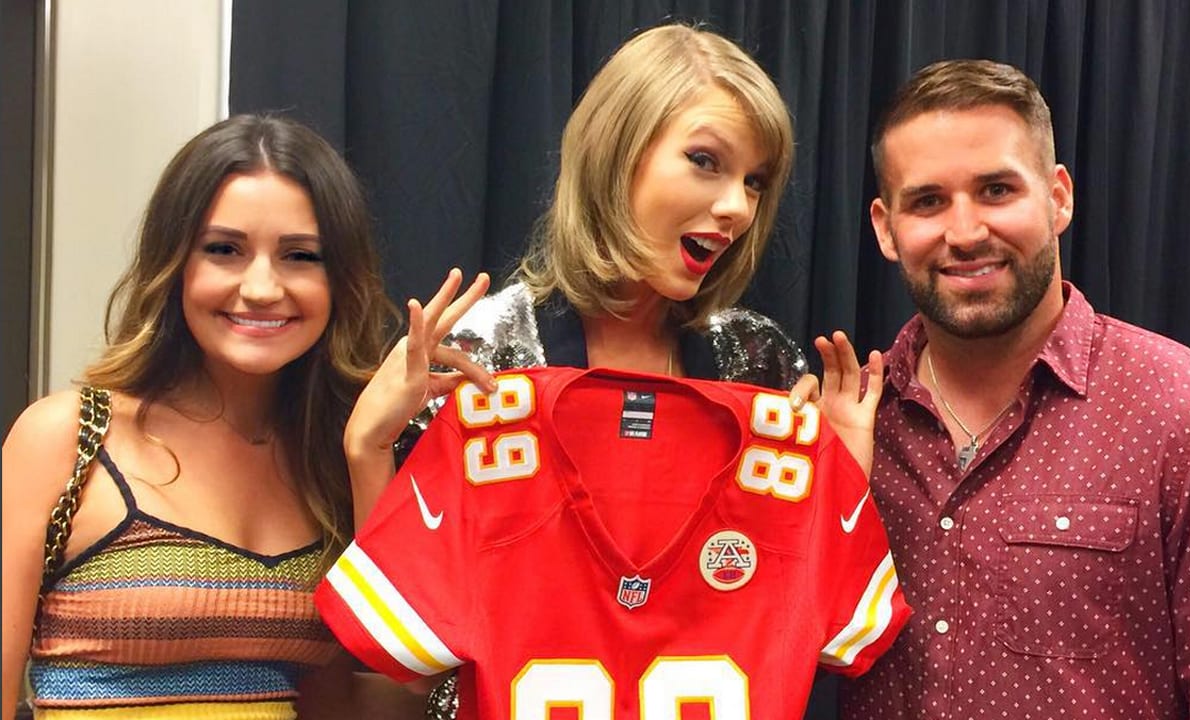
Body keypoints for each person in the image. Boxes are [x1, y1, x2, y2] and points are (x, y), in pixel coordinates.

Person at [338, 22, 890, 719]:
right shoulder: (481, 357)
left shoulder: (760, 364)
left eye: (754, 181)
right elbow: (405, 664)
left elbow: (791, 635)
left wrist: (841, 483)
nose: (737, 208)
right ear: (615, 153)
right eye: (706, 161)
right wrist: (367, 448)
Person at [833, 59, 1190, 719]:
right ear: (884, 227)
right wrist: (832, 493)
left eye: (995, 190)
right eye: (928, 201)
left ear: (1058, 196)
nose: (964, 232)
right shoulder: (842, 432)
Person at [1, 115, 415, 719]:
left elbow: (377, 699)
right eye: (225, 250)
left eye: (300, 256)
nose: (262, 287)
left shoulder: (334, 460)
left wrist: (370, 454)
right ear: (174, 265)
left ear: (340, 280)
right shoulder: (68, 438)